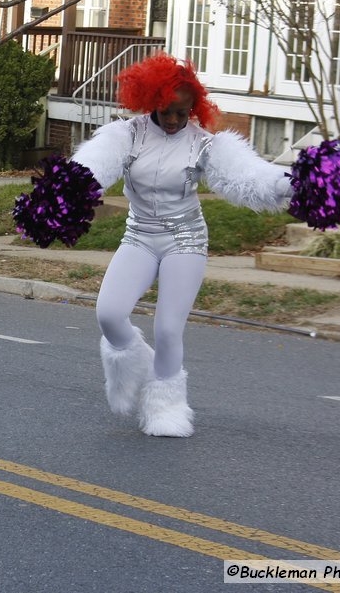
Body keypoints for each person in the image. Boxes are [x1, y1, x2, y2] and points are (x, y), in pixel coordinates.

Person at [70, 52, 293, 438]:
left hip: (185, 240)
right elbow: (94, 167)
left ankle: (167, 404)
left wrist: (290, 183)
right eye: (167, 111)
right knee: (108, 314)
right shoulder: (128, 134)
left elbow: (248, 177)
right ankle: (139, 364)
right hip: (139, 236)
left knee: (169, 329)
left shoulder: (204, 145)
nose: (174, 120)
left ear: (195, 110)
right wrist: (68, 186)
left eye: (183, 113)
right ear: (152, 102)